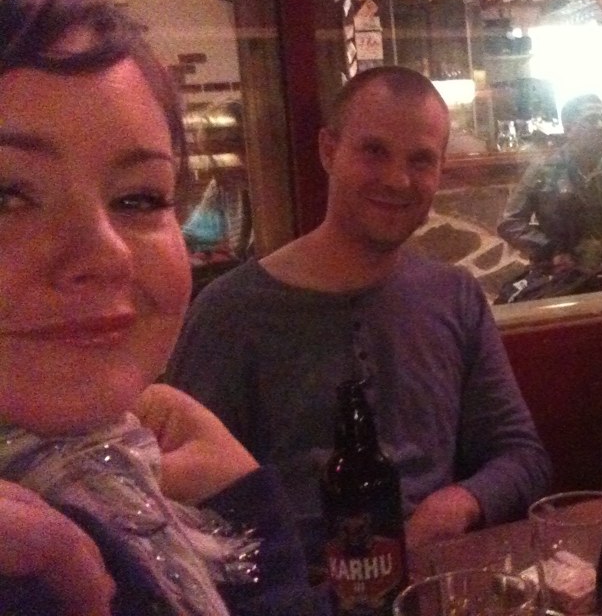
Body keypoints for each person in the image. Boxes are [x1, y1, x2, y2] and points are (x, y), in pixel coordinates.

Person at [0, 0, 327, 614]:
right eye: (6, 195)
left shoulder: (137, 489)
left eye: (139, 197)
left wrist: (240, 503)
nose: (105, 253)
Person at [166, 65, 552, 562]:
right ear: (329, 151)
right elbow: (186, 512)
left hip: (435, 583)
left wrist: (460, 503)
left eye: (421, 160)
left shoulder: (454, 296)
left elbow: (522, 456)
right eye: (374, 151)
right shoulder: (229, 313)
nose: (397, 179)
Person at [496, 94, 602, 303]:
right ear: (569, 129)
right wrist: (553, 250)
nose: (601, 126)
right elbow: (509, 223)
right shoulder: (543, 171)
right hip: (559, 274)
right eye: (591, 120)